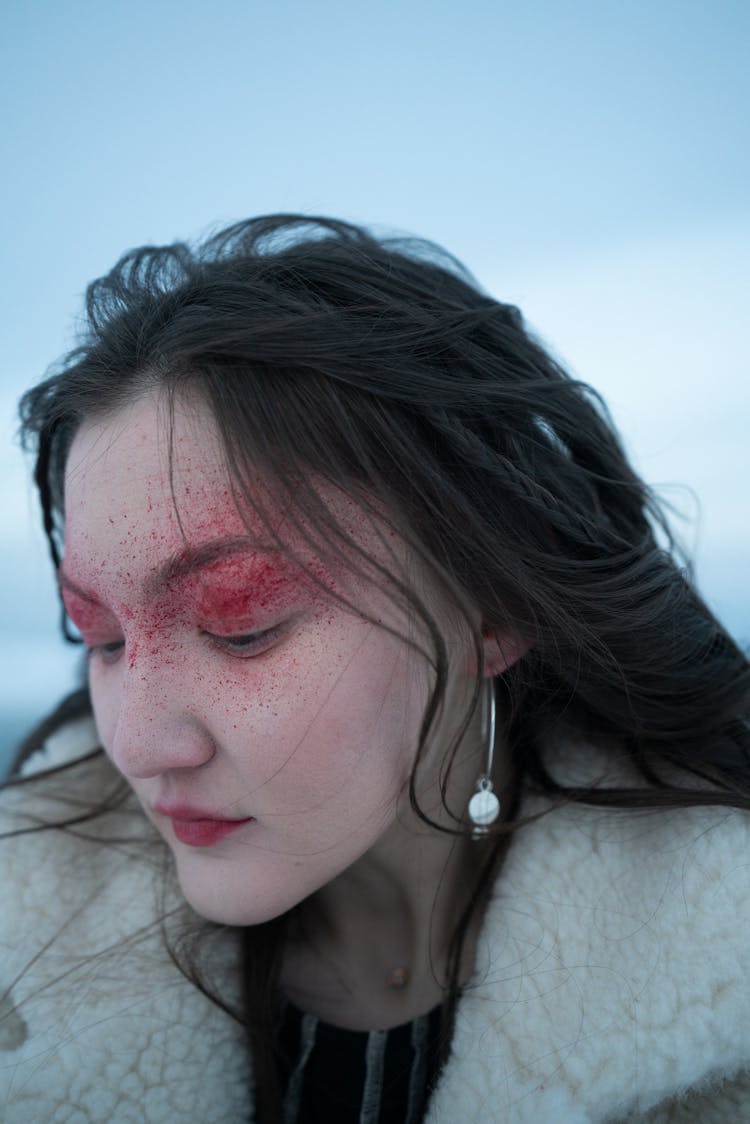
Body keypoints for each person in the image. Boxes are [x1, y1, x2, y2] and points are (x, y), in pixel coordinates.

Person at [1, 215, 749, 1124]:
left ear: (493, 606)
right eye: (104, 638)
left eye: (242, 627)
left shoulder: (722, 1002)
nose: (142, 742)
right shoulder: (21, 967)